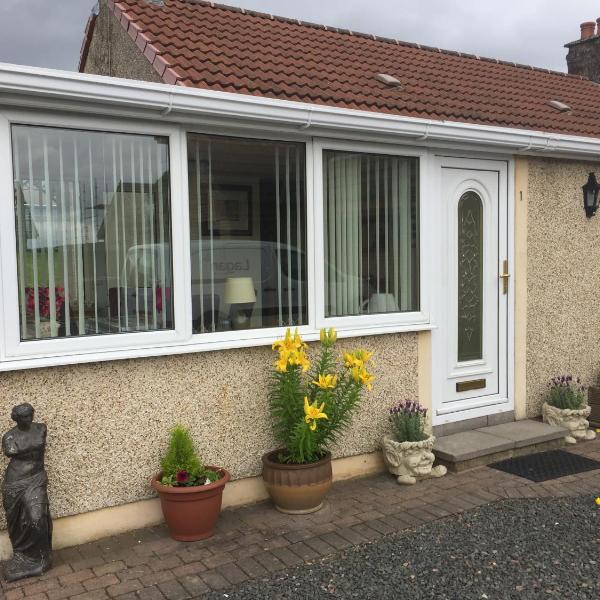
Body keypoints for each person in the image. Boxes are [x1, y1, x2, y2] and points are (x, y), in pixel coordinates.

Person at [2, 403, 52, 582]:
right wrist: (32, 447)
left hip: (36, 478)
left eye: (30, 415)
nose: (29, 419)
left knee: (37, 517)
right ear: (16, 418)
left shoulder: (41, 428)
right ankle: (22, 555)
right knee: (16, 521)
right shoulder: (9, 436)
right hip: (15, 482)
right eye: (24, 416)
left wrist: (25, 449)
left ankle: (40, 558)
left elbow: (20, 450)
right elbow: (10, 451)